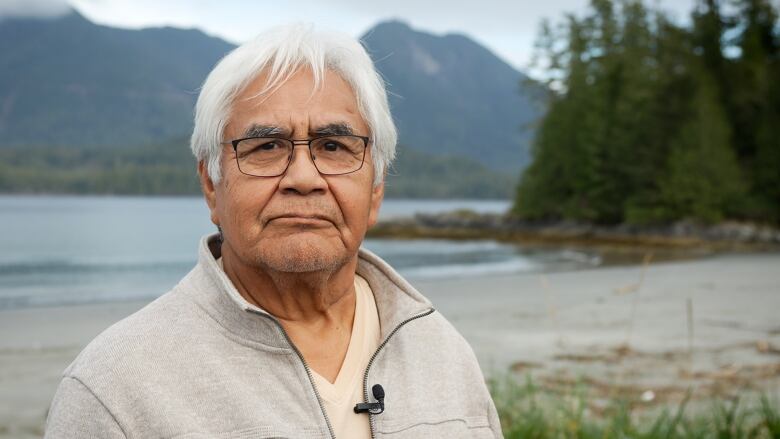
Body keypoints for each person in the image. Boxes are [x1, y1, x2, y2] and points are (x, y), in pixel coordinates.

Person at [44, 23, 502, 438]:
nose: (303, 178)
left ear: (376, 189)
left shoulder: (442, 352)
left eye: (333, 145)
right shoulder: (115, 390)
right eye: (266, 146)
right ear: (211, 185)